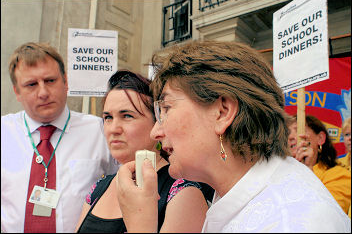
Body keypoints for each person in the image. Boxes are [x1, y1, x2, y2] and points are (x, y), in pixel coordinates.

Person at [115, 40, 351, 232]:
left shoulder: (290, 222)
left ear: (222, 112)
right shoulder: (236, 191)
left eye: (166, 109)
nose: (155, 131)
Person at [75, 70, 213, 232]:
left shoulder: (183, 191)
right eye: (108, 118)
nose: (114, 129)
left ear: (157, 122)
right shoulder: (100, 187)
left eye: (127, 116)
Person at [1, 42, 117, 232]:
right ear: (17, 92)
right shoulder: (3, 133)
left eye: (50, 81)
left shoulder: (99, 130)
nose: (44, 93)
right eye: (31, 85)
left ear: (66, 82)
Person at [287, 114, 351, 214]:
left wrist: (308, 171)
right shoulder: (280, 174)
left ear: (320, 138)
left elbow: (330, 216)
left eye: (298, 130)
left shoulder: (341, 175)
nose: (290, 136)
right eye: (287, 132)